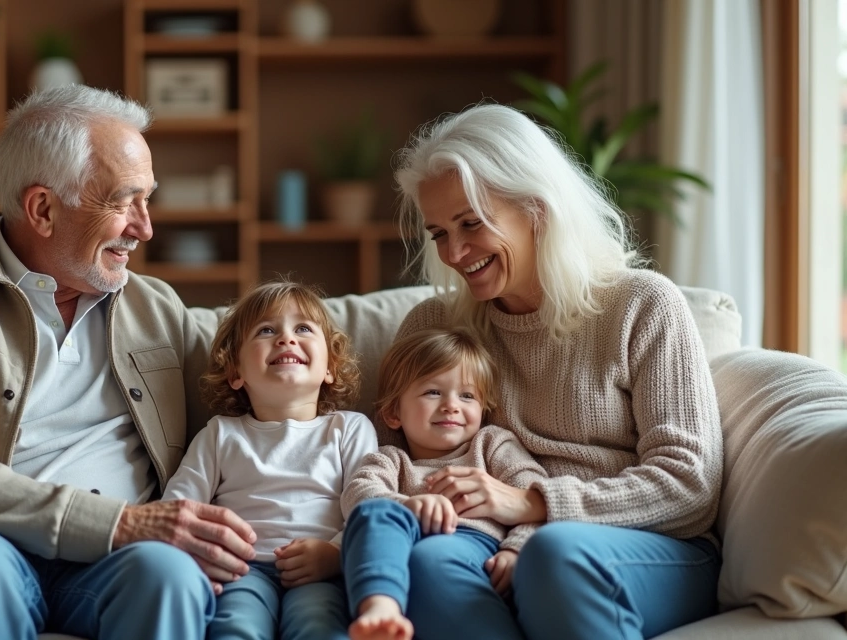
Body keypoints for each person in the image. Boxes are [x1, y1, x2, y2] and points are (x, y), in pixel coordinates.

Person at [0, 84, 260, 640]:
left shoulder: (157, 307)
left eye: (148, 199)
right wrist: (119, 524)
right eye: (124, 201)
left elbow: (255, 393)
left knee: (169, 574)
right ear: (43, 209)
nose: (145, 228)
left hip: (120, 564)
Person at [387, 103, 723, 640]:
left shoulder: (642, 305)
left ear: (538, 208)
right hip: (494, 543)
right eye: (438, 233)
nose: (454, 251)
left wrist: (534, 506)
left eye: (471, 223)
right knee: (425, 564)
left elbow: (690, 484)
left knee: (556, 552)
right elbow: (388, 462)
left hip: (646, 547)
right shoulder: (434, 327)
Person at [163, 280, 379, 640]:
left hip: (323, 570)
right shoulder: (220, 434)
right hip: (241, 572)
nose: (286, 339)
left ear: (330, 368)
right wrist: (204, 554)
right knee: (236, 626)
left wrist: (335, 554)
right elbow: (179, 507)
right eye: (266, 330)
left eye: (303, 329)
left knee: (321, 626)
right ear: (235, 373)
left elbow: (370, 504)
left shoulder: (349, 429)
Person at [341, 328, 548, 640]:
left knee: (431, 557)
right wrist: (407, 506)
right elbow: (357, 495)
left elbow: (534, 495)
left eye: (467, 396)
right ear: (393, 413)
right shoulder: (391, 460)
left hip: (478, 547)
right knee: (374, 512)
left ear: (483, 410)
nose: (452, 405)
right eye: (433, 392)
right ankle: (381, 610)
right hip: (399, 552)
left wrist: (517, 549)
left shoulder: (490, 444)